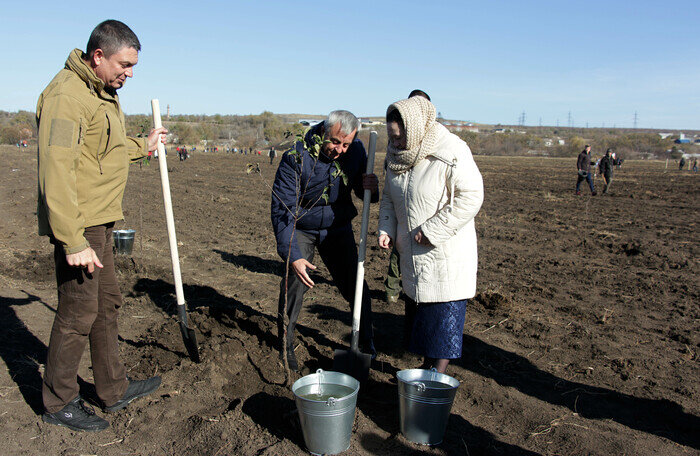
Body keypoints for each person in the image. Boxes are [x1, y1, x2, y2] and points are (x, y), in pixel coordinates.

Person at [36, 20, 166, 432]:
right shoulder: (67, 96)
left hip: (103, 218)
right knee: (78, 311)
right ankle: (58, 400)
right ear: (98, 56)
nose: (129, 73)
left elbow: (101, 149)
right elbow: (56, 171)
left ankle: (112, 390)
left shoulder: (101, 92)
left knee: (106, 303)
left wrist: (141, 146)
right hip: (80, 222)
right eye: (124, 64)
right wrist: (72, 240)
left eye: (133, 66)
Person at [378, 97, 484, 374]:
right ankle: (426, 371)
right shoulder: (396, 156)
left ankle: (435, 378)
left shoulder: (451, 150)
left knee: (442, 320)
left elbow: (471, 197)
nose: (396, 143)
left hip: (444, 252)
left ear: (414, 129)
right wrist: (387, 229)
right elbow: (389, 197)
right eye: (392, 137)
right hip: (412, 254)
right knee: (422, 318)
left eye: (399, 138)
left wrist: (433, 230)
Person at [271, 110, 378, 371]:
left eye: (346, 144)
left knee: (355, 284)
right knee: (295, 283)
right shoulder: (296, 155)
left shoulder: (356, 152)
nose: (340, 150)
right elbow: (282, 207)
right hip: (303, 227)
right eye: (335, 142)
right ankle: (286, 341)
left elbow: (365, 195)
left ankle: (365, 341)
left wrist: (372, 189)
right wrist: (293, 254)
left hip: (336, 227)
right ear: (323, 133)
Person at [384, 89, 432, 306]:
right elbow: (388, 191)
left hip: (427, 223)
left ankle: (416, 293)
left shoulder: (436, 147)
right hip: (401, 216)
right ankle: (392, 289)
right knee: (397, 253)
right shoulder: (395, 152)